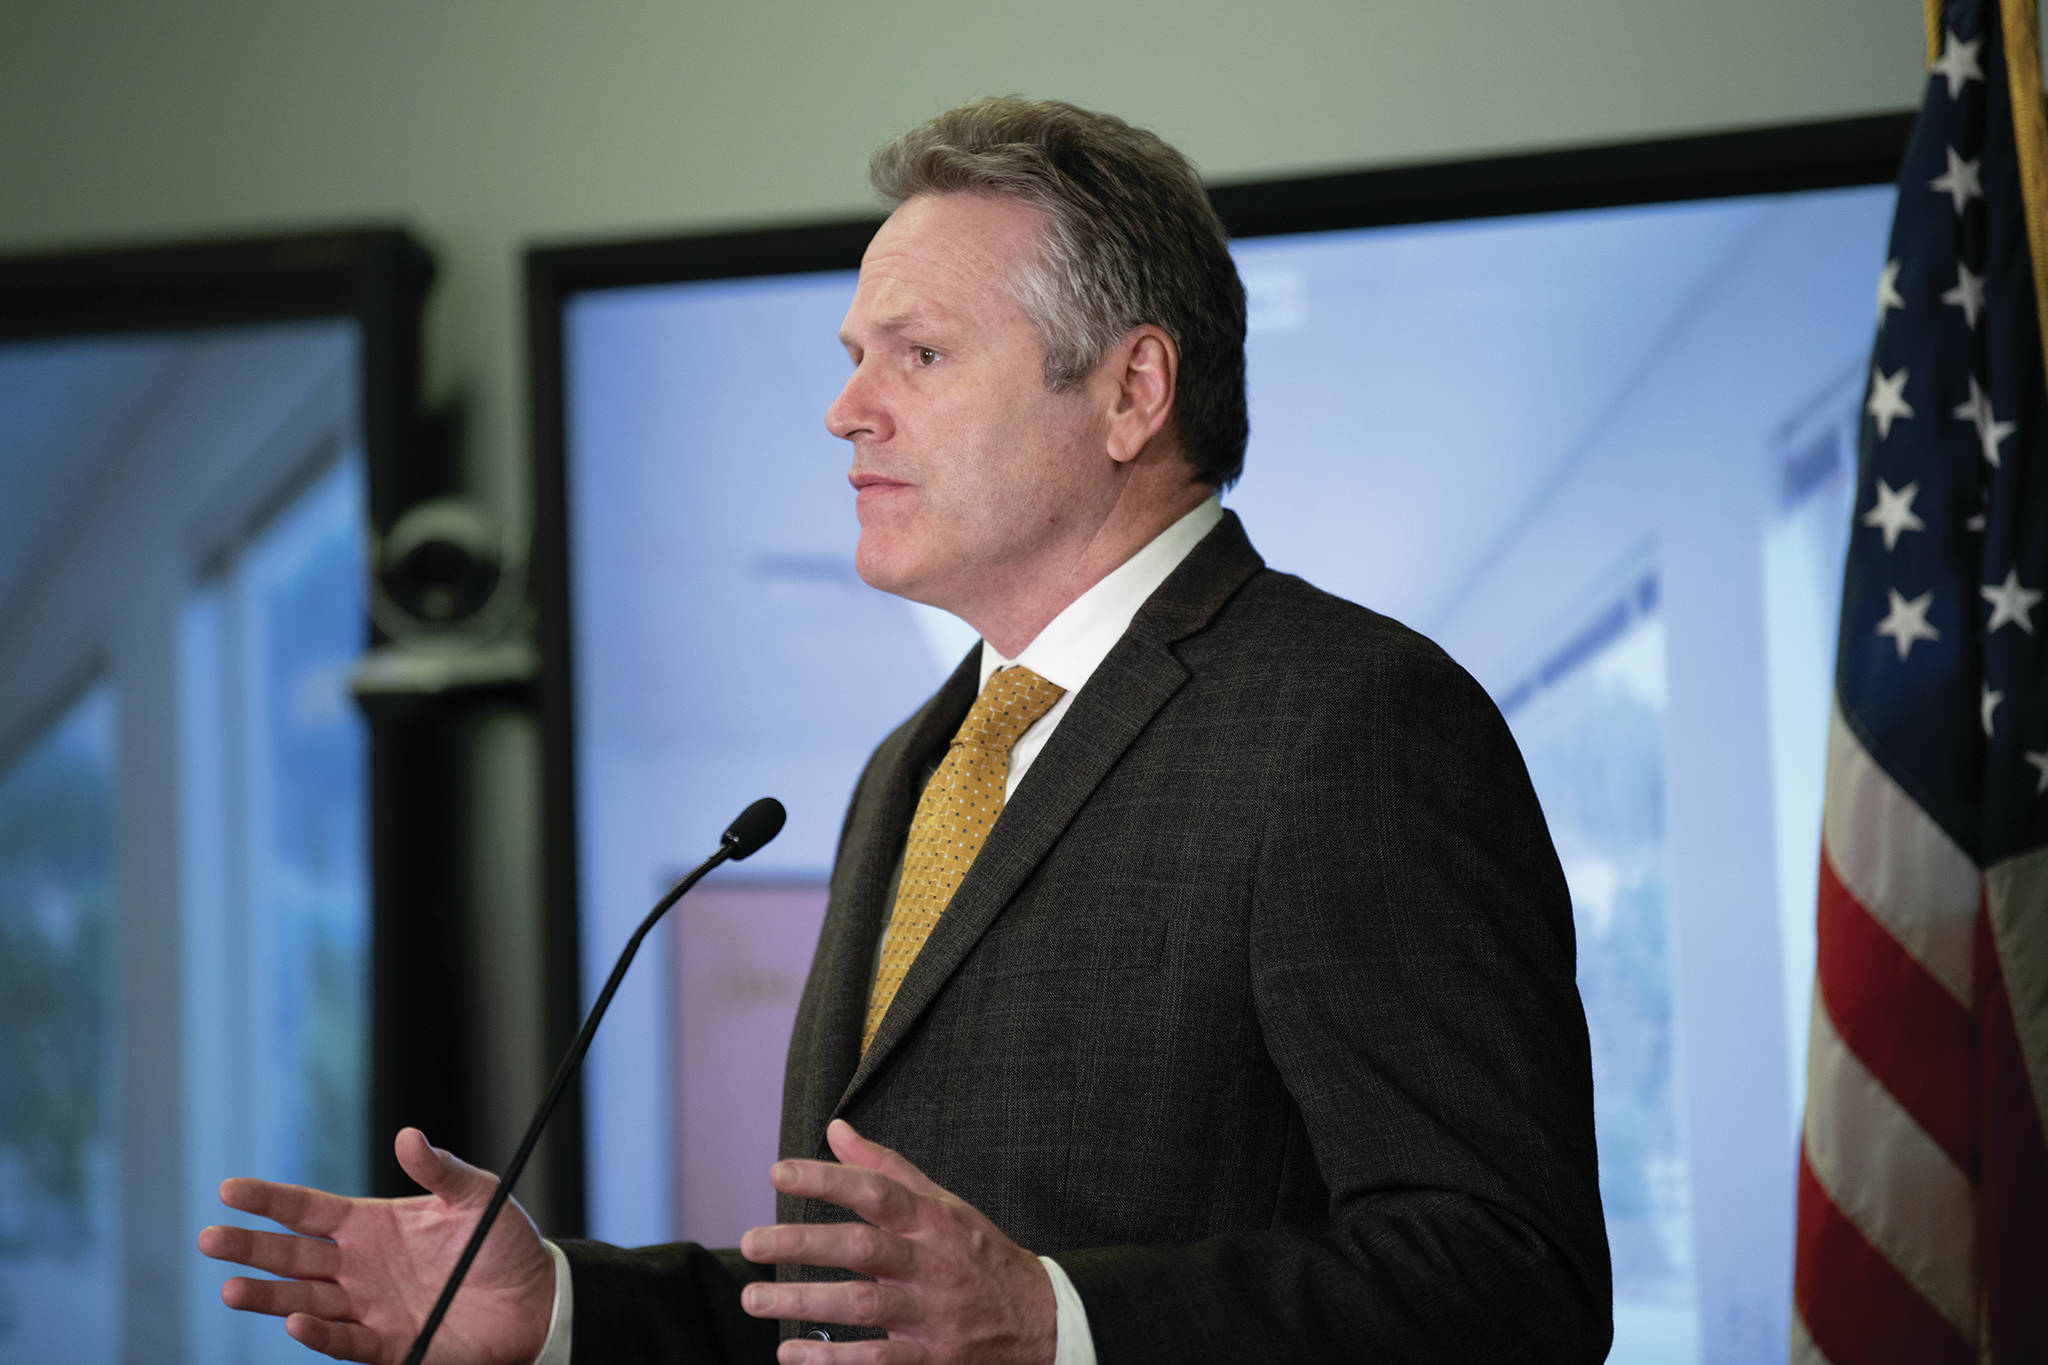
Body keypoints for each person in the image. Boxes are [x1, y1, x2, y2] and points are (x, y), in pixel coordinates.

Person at [201, 97, 1612, 1364]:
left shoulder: (1355, 723)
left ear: (1131, 392)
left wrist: (1056, 1323)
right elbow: (856, 1307)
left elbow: (1509, 1281)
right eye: (853, 356)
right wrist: (561, 1304)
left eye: (920, 353)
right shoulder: (914, 765)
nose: (844, 410)